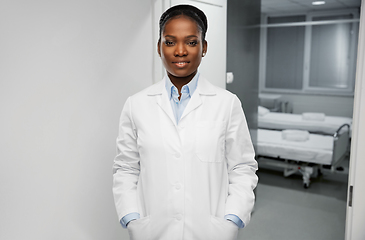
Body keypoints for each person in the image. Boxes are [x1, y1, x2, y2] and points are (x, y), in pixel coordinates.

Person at [112, 4, 258, 240]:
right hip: (152, 230)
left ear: (204, 48)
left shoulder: (227, 103)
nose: (180, 51)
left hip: (210, 231)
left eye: (191, 42)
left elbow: (242, 167)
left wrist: (233, 219)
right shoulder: (136, 104)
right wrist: (131, 217)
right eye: (170, 42)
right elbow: (126, 168)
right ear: (159, 48)